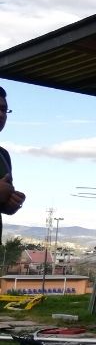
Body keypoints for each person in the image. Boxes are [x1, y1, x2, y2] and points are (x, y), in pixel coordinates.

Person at [0, 86, 27, 236]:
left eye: (4, 110)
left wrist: (11, 204)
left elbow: (3, 204)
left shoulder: (3, 155)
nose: (1, 114)